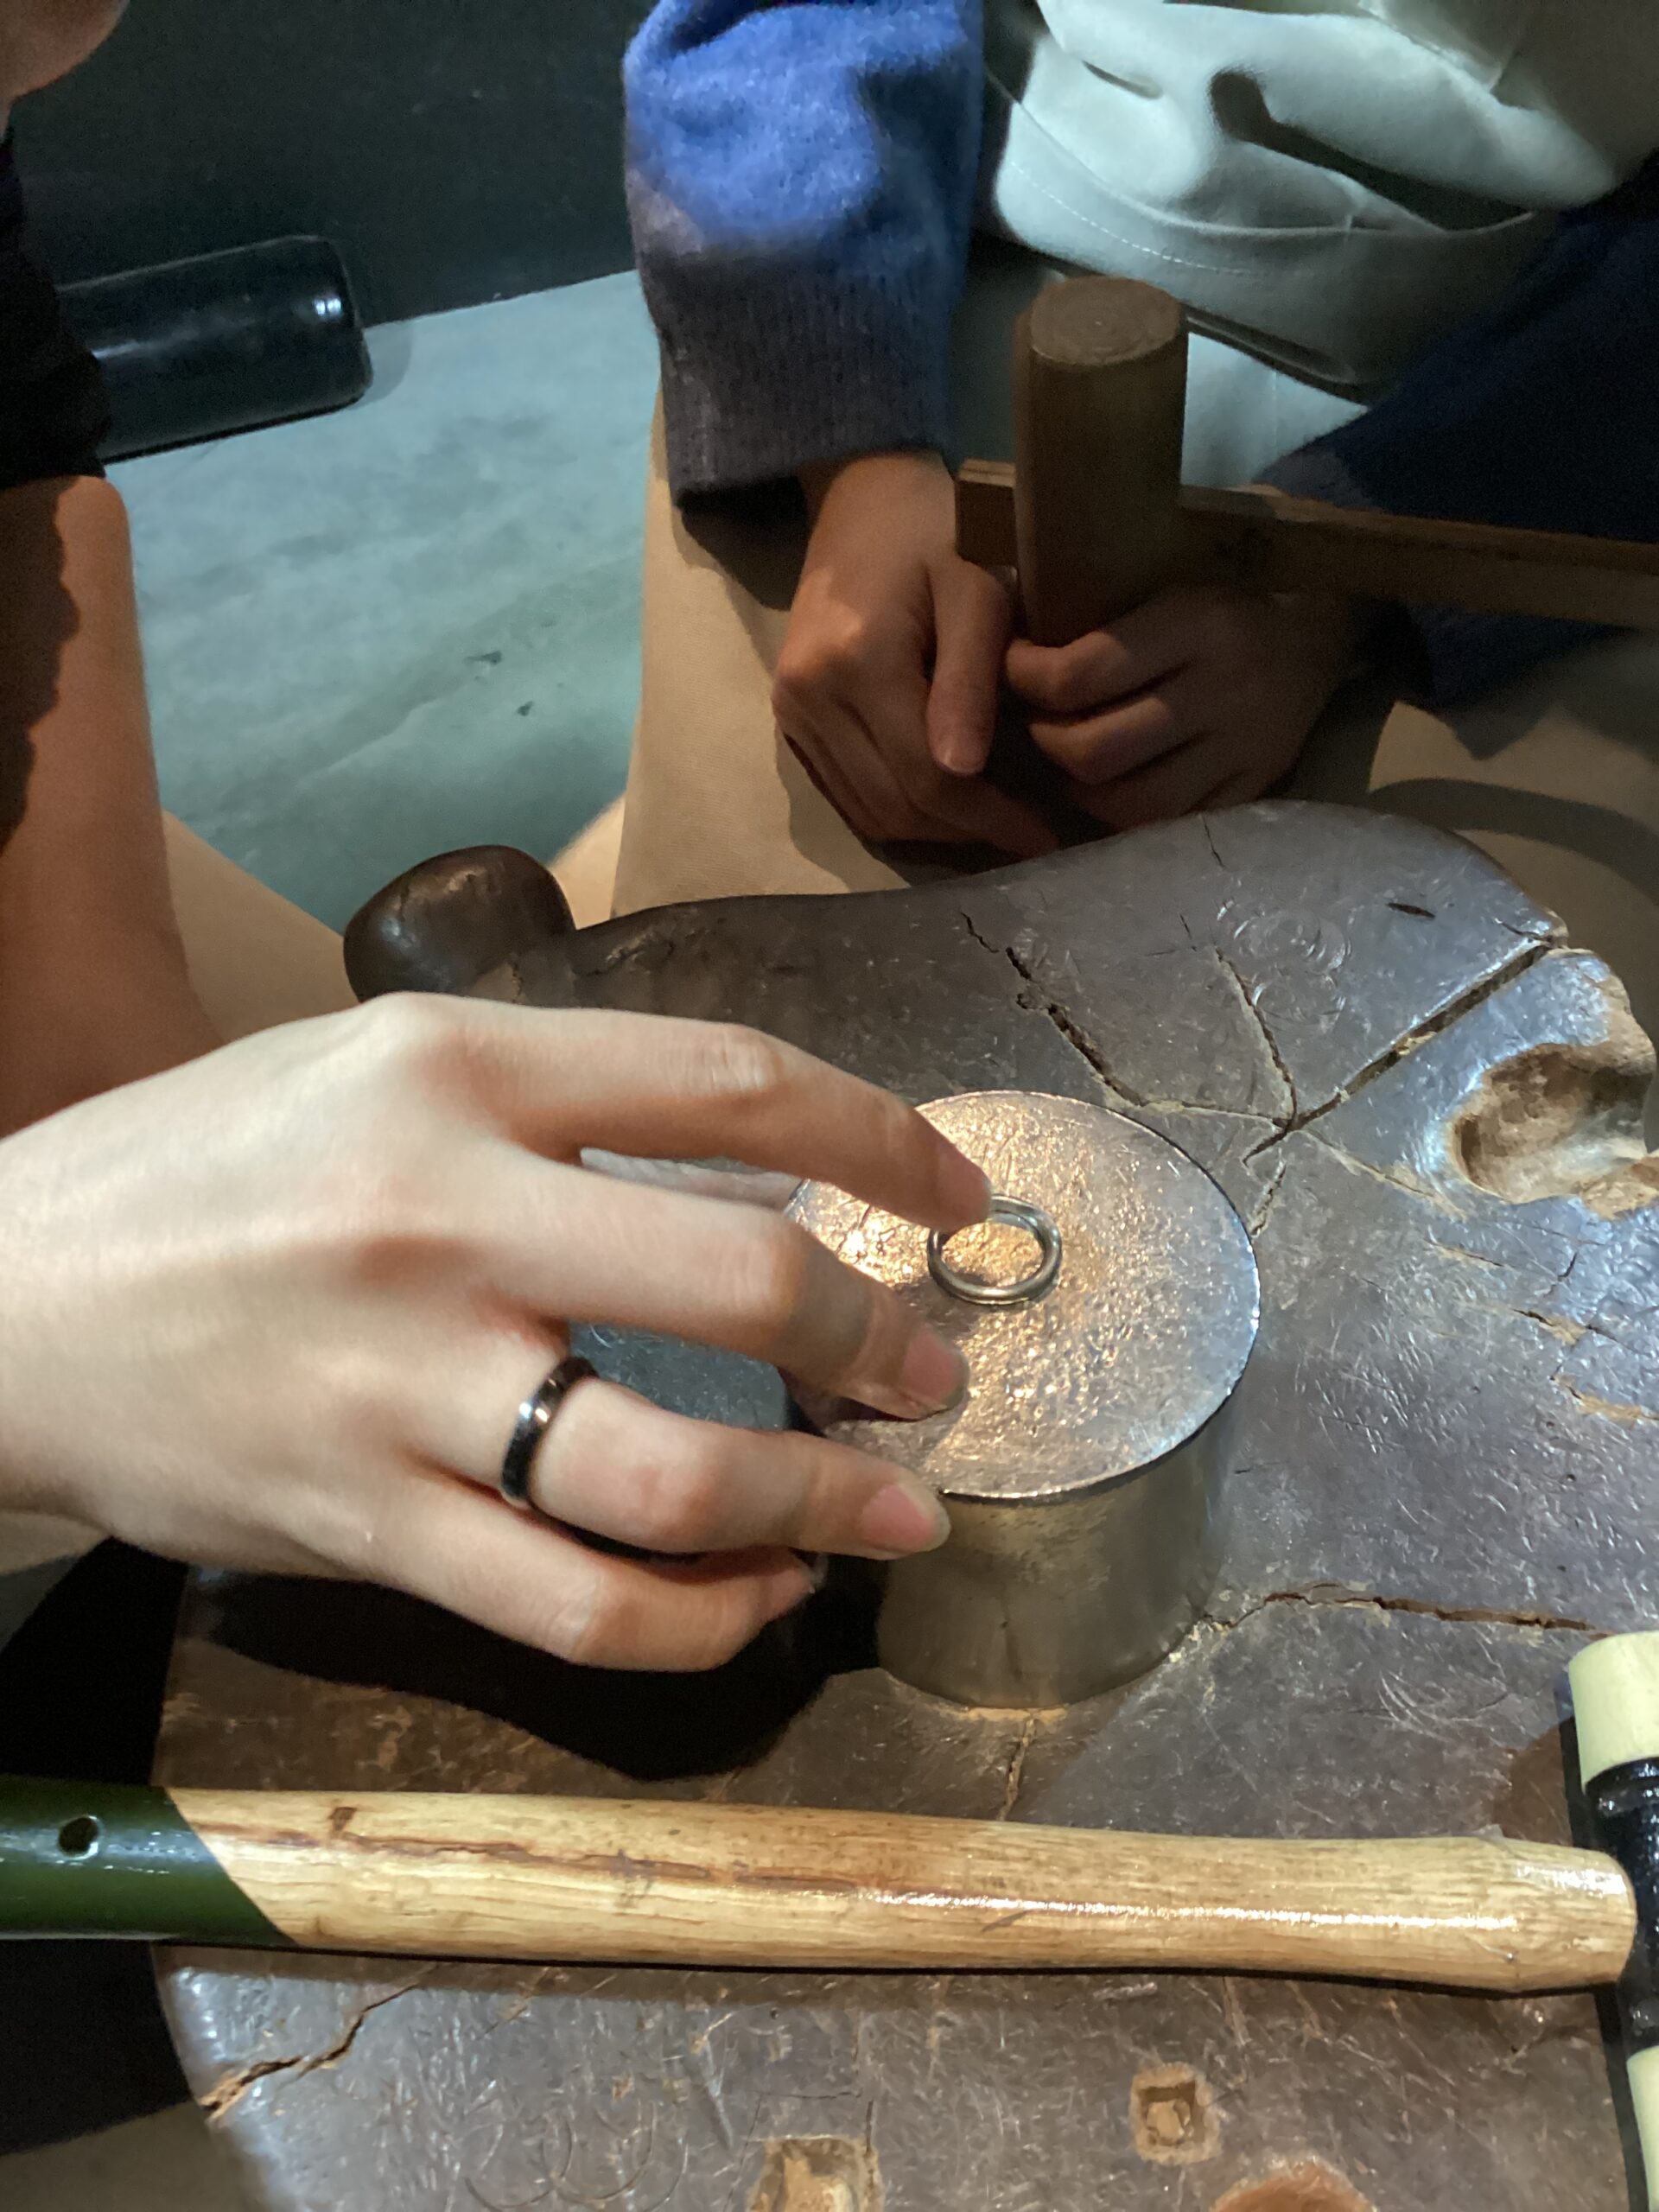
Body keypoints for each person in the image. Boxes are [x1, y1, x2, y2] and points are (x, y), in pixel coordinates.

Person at [611, 0, 1659, 1038]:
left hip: (1548, 398)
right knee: (725, 1043)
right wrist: (850, 449)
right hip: (887, 271)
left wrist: (1356, 570)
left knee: (1463, 1075)